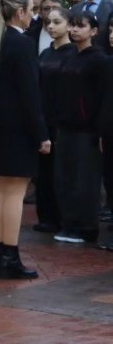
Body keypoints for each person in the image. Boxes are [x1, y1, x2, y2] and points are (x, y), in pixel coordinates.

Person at [0, 0, 49, 280]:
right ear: (20, 12)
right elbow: (30, 95)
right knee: (14, 194)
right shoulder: (21, 44)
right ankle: (11, 255)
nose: (33, 14)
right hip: (17, 131)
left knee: (0, 192)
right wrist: (41, 134)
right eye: (31, 9)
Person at [51, 12, 105, 246]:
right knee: (64, 178)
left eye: (80, 26)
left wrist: (100, 129)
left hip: (87, 130)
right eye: (72, 26)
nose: (74, 30)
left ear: (93, 31)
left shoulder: (100, 60)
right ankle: (69, 224)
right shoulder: (69, 56)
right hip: (65, 127)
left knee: (85, 181)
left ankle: (86, 228)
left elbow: (102, 98)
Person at [35, 5, 71, 235]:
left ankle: (63, 217)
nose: (51, 26)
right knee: (43, 172)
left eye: (57, 22)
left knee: (63, 172)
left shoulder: (73, 54)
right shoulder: (45, 53)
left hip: (64, 122)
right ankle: (45, 216)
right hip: (43, 119)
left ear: (68, 24)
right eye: (48, 22)